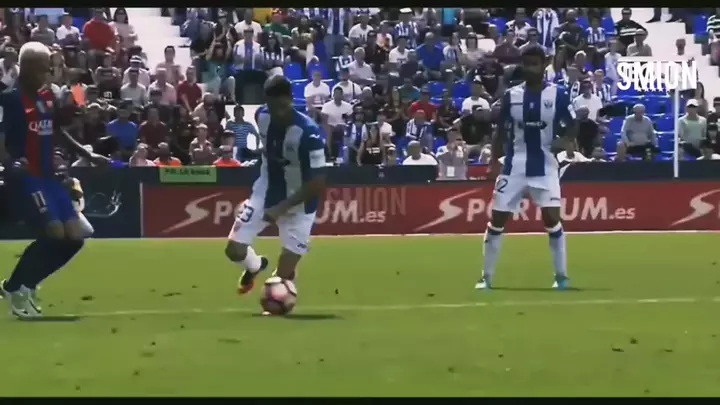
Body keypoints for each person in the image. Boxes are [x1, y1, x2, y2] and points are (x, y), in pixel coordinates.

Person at [0, 42, 108, 318]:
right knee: (54, 233)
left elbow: (57, 130)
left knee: (76, 237)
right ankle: (14, 288)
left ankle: (27, 284)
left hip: (50, 177)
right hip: (27, 178)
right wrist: (10, 163)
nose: (47, 73)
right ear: (28, 69)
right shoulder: (10, 99)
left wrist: (87, 154)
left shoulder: (46, 96)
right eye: (43, 69)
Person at [478, 45, 576, 291]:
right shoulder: (511, 96)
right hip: (514, 165)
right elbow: (500, 132)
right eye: (526, 64)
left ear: (544, 65)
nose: (530, 68)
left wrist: (564, 141)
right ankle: (486, 277)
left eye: (534, 64)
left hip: (545, 164)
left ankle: (561, 276)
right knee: (497, 219)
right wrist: (493, 162)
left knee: (552, 218)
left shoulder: (558, 94)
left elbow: (573, 124)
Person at [225, 76, 327, 309]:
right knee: (233, 250)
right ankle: (254, 266)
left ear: (291, 100)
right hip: (266, 192)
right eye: (272, 107)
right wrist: (255, 202)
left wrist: (282, 207)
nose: (277, 113)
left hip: (300, 205)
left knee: (283, 277)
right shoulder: (261, 116)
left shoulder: (309, 134)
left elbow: (318, 183)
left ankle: (280, 293)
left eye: (282, 107)